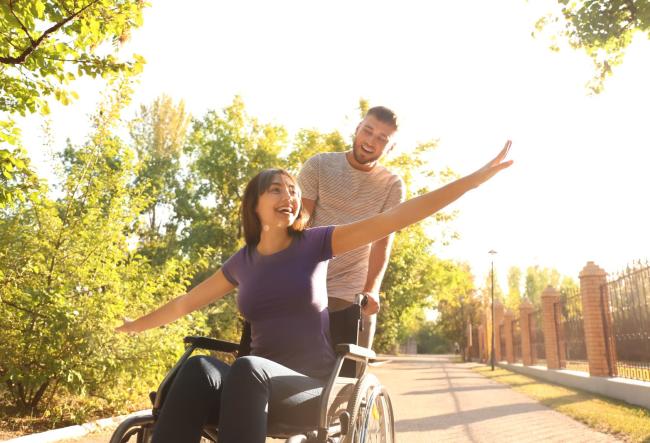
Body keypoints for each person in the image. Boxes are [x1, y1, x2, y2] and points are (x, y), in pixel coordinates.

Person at [116, 141, 512, 443]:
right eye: (276, 190)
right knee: (197, 368)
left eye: (292, 189)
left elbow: (396, 217)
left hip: (310, 386)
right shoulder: (242, 262)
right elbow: (187, 302)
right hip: (249, 385)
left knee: (247, 367)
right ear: (254, 205)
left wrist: (473, 180)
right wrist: (137, 325)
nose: (289, 197)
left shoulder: (315, 243)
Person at [298, 106, 404, 350]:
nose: (370, 141)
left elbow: (382, 242)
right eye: (367, 131)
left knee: (349, 372)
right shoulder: (320, 165)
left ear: (390, 147)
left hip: (350, 291)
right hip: (307, 280)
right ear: (357, 129)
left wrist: (372, 291)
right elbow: (298, 223)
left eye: (381, 139)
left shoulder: (391, 185)